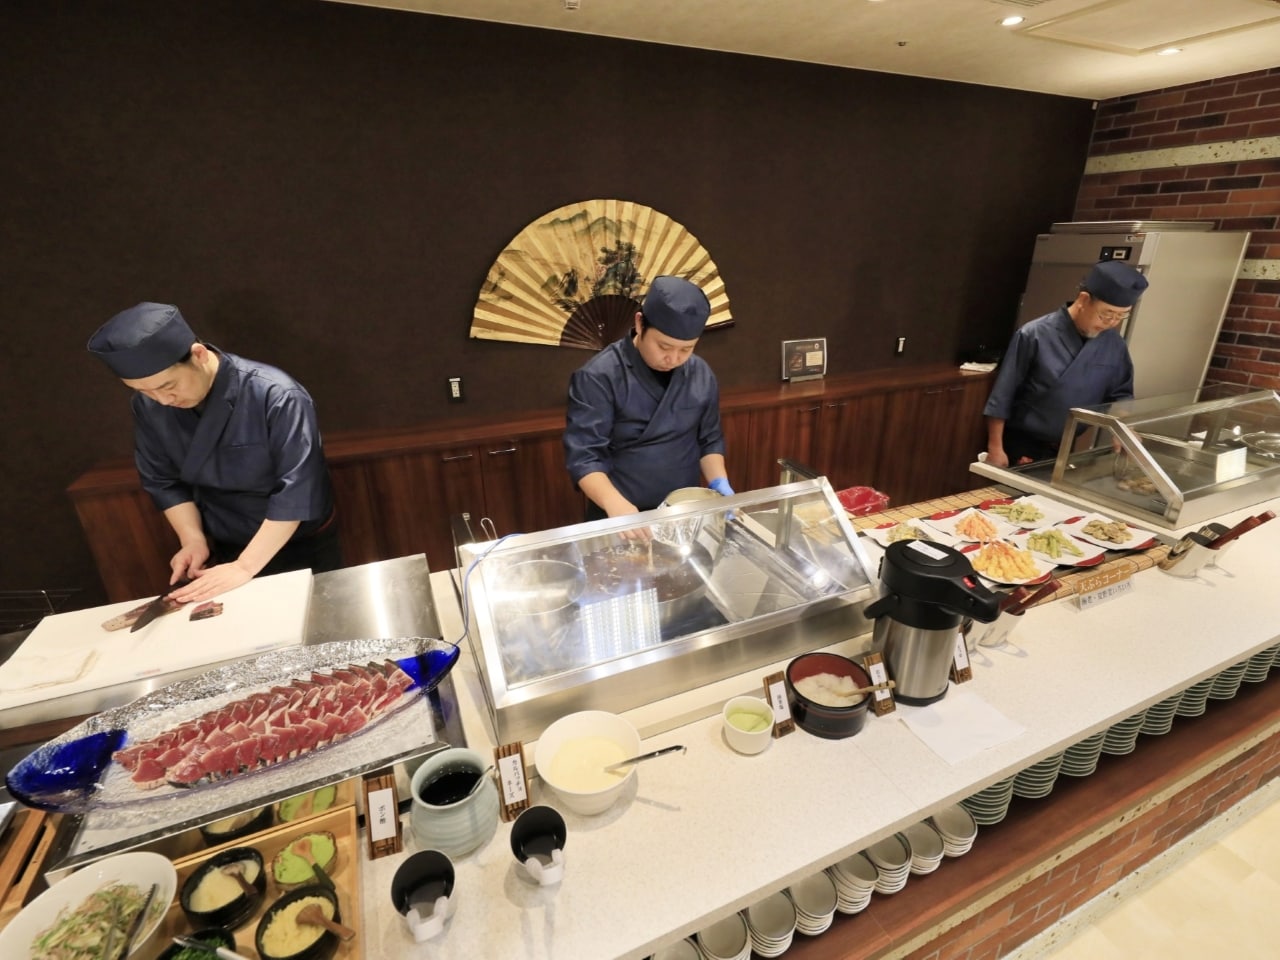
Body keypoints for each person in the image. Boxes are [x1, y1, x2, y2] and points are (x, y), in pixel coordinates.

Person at [87, 302, 341, 602]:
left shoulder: (277, 395)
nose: (161, 400)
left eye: (167, 385)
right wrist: (193, 539)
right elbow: (162, 481)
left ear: (198, 354)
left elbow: (297, 491)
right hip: (226, 544)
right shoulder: (149, 405)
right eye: (143, 390)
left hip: (298, 544)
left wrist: (246, 566)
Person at [564, 275, 733, 521]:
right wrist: (614, 503)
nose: (674, 359)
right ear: (640, 323)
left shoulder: (700, 373)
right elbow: (585, 458)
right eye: (664, 347)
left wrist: (720, 483)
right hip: (620, 513)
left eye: (686, 349)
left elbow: (709, 439)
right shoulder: (598, 377)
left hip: (682, 512)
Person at [984, 260, 1149, 466]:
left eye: (1121, 316)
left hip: (1066, 445)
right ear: (1083, 299)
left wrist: (1124, 429)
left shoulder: (1114, 344)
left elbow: (1120, 395)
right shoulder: (1034, 334)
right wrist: (995, 448)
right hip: (1020, 444)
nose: (1112, 323)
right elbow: (1002, 397)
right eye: (1107, 313)